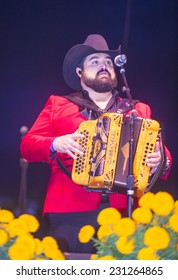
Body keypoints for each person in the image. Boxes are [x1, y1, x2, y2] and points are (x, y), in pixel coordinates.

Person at [20, 34, 172, 254]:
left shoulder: (137, 109)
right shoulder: (58, 104)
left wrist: (160, 158)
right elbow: (28, 145)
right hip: (70, 210)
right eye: (95, 61)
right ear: (79, 72)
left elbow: (160, 152)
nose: (104, 66)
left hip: (124, 210)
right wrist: (56, 143)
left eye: (108, 62)